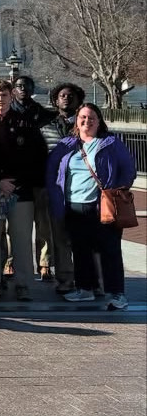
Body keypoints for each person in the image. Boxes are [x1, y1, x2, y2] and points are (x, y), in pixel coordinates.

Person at [47, 104, 136, 310]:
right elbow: (52, 172)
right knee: (80, 250)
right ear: (76, 121)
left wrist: (118, 190)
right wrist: (55, 196)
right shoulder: (66, 144)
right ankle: (85, 289)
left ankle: (117, 293)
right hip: (74, 206)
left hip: (103, 207)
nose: (87, 121)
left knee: (110, 250)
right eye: (82, 117)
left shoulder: (110, 143)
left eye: (91, 118)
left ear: (99, 120)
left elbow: (128, 168)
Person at [0, 79, 46, 301]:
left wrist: (15, 183)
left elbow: (35, 159)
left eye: (4, 95)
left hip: (21, 191)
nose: (0, 99)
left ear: (11, 96)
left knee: (21, 239)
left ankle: (24, 283)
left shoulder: (25, 124)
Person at [38, 83, 85, 293]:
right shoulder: (45, 126)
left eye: (71, 95)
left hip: (83, 190)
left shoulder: (88, 125)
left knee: (84, 238)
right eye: (62, 96)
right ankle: (65, 279)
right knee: (59, 237)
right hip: (55, 188)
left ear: (78, 100)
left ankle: (87, 279)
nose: (66, 99)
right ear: (55, 101)